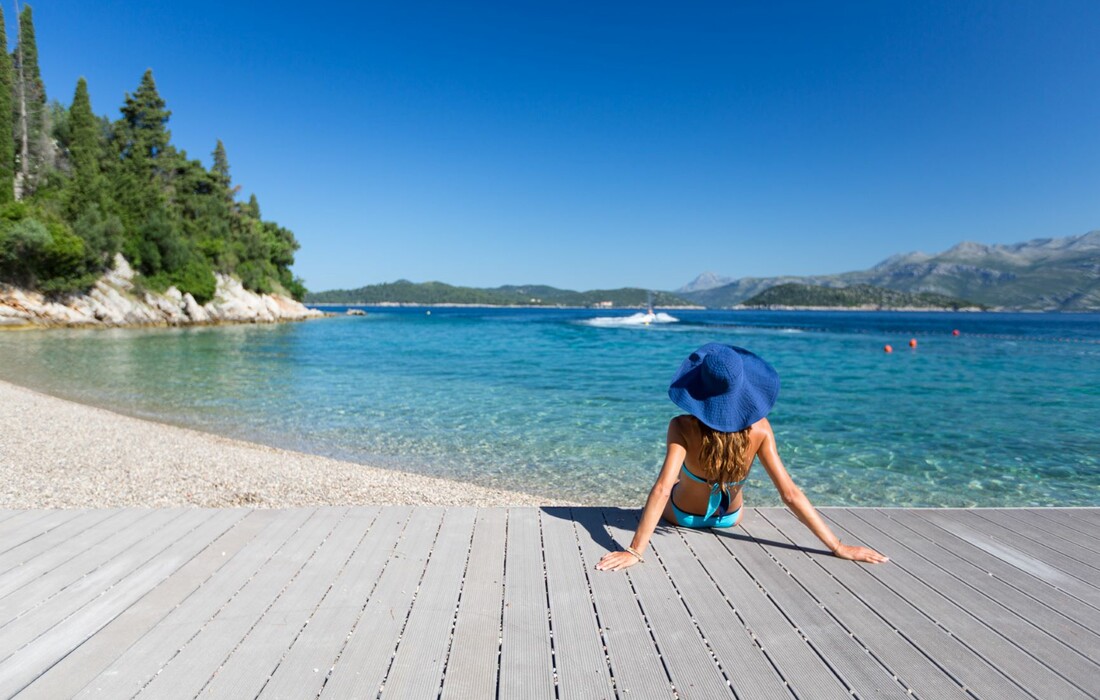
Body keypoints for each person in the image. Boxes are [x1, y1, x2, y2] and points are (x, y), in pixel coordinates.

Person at [597, 343, 887, 571]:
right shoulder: (760, 429)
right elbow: (789, 494)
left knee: (676, 484)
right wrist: (837, 546)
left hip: (683, 517)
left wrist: (635, 550)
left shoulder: (681, 426)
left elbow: (661, 489)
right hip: (729, 519)